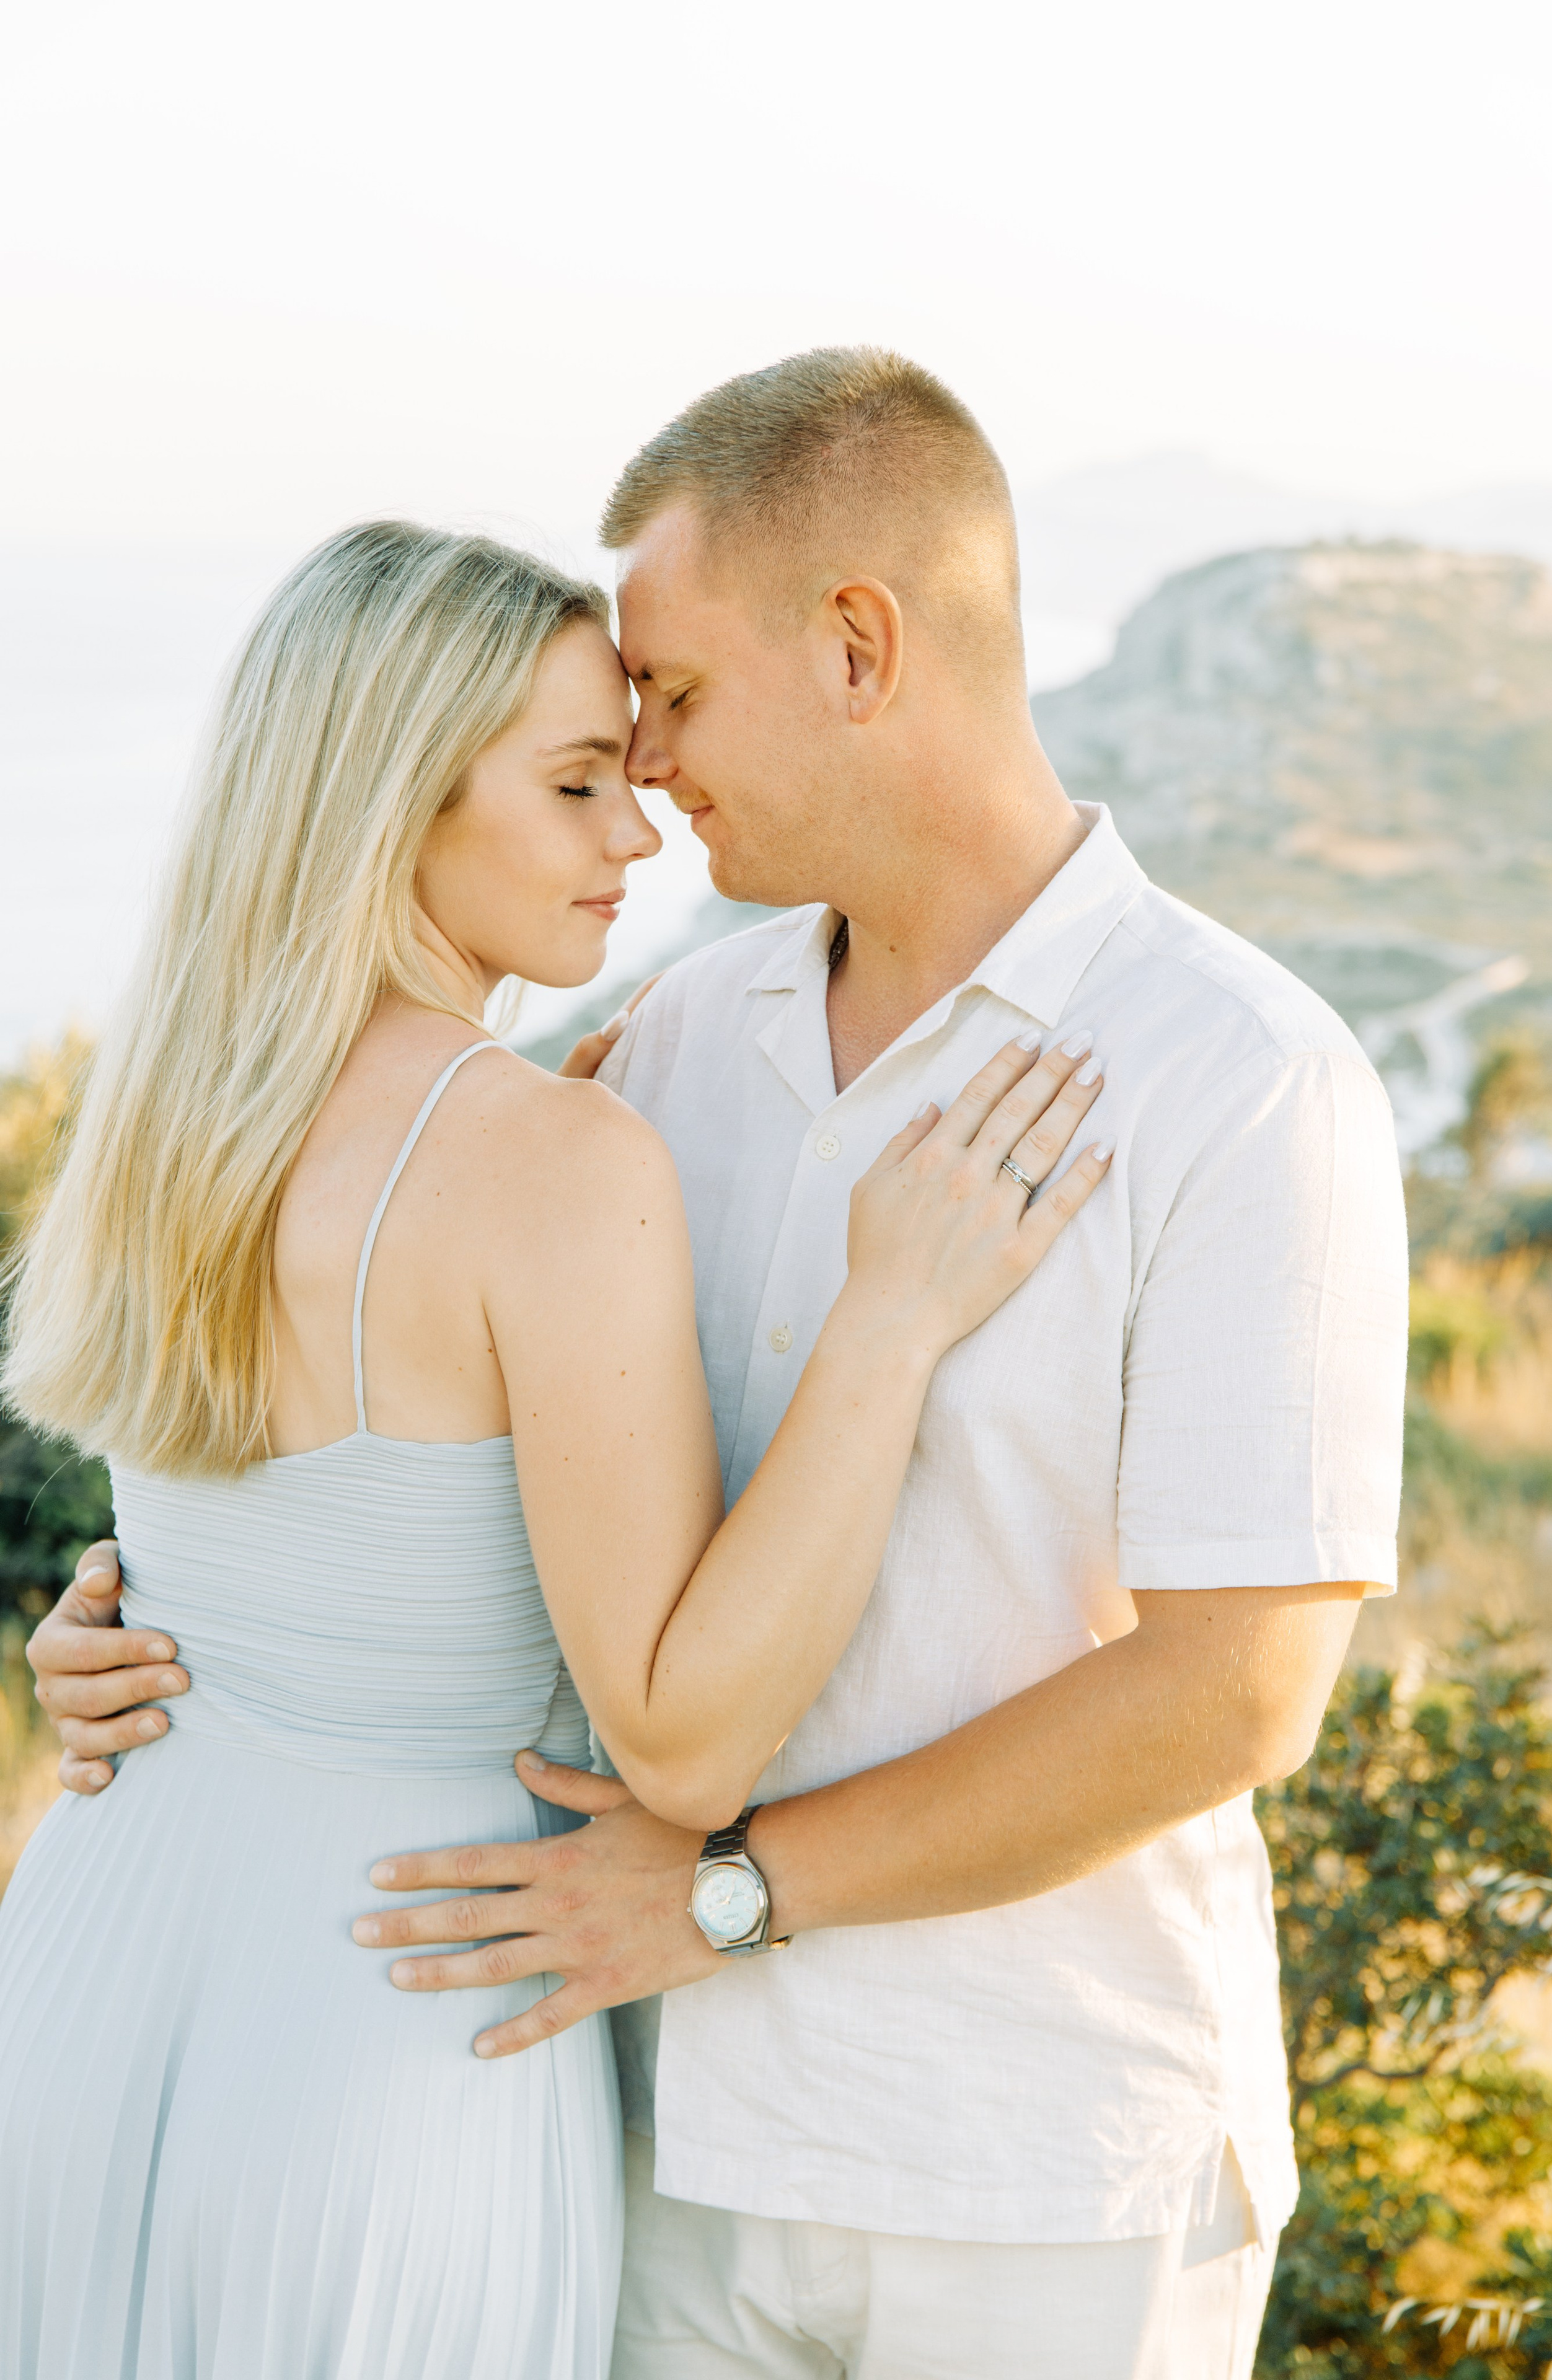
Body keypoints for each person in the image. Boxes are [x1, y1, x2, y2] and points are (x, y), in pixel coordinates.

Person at [30, 350, 1409, 2380]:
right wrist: (177, 1628)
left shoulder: (1238, 1073)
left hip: (1032, 2167)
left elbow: (1235, 1690)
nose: (651, 771)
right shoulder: (668, 1048)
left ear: (859, 646)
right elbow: (442, 1427)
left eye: (666, 698)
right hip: (658, 2126)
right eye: (602, 742)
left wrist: (737, 1896)